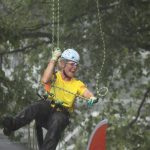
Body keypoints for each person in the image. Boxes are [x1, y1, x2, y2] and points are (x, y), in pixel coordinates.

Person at [2, 48, 98, 150]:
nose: (74, 67)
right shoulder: (55, 77)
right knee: (37, 106)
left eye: (76, 65)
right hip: (47, 110)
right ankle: (12, 125)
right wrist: (53, 59)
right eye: (72, 64)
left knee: (57, 119)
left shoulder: (77, 84)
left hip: (61, 115)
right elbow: (45, 79)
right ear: (63, 64)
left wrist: (91, 97)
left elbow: (86, 92)